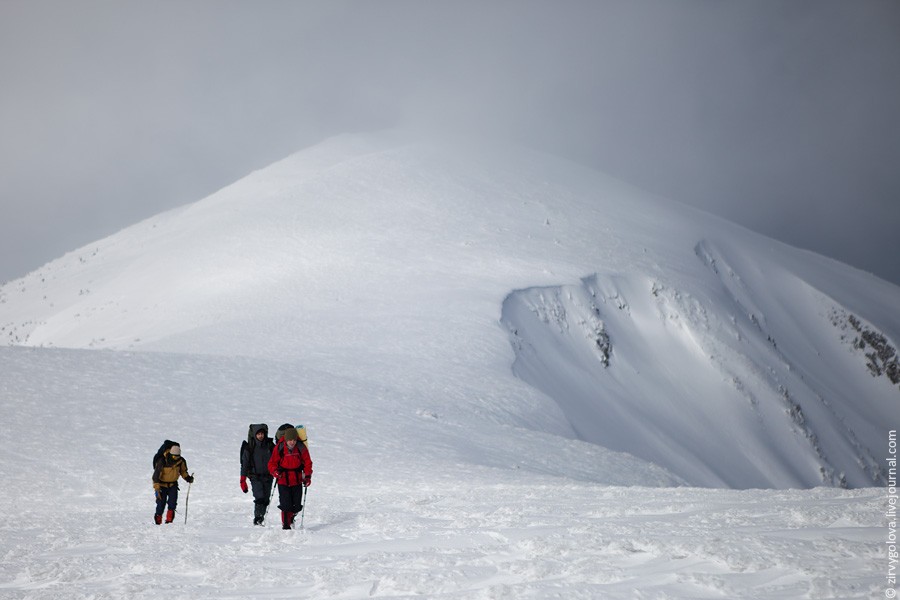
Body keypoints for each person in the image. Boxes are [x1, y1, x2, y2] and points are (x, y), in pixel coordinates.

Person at [267, 427, 313, 529]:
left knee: (296, 506)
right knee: (285, 505)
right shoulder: (279, 447)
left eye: (294, 440)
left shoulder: (301, 447)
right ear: (286, 439)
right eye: (290, 440)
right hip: (283, 480)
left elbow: (307, 463)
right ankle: (286, 525)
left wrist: (307, 476)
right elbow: (272, 463)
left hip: (297, 480)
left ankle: (291, 517)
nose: (292, 442)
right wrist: (275, 472)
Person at [240, 424, 276, 525]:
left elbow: (277, 459)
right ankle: (257, 518)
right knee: (259, 497)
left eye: (262, 434)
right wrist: (243, 480)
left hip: (268, 476)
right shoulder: (249, 447)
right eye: (258, 434)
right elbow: (244, 464)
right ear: (254, 435)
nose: (260, 436)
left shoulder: (270, 446)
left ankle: (261, 517)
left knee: (265, 499)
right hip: (255, 476)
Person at [151, 443, 194, 524]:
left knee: (172, 504)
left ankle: (169, 521)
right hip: (161, 486)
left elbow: (183, 471)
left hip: (173, 485)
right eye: (174, 456)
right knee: (160, 504)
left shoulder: (181, 461)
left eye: (177, 457)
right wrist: (157, 489)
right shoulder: (162, 461)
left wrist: (188, 478)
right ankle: (158, 522)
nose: (176, 458)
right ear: (170, 454)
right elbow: (156, 476)